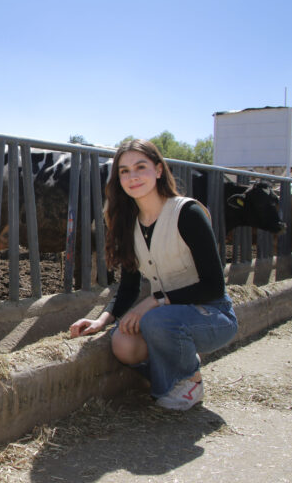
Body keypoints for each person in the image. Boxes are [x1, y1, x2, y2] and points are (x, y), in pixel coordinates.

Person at [69, 139, 238, 410]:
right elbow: (129, 286)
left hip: (213, 316)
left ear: (159, 170)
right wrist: (101, 321)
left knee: (156, 320)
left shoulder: (187, 213)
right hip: (168, 316)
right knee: (122, 343)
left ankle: (190, 381)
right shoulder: (128, 222)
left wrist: (156, 300)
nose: (132, 176)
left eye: (140, 167)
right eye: (124, 171)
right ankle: (173, 376)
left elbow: (214, 286)